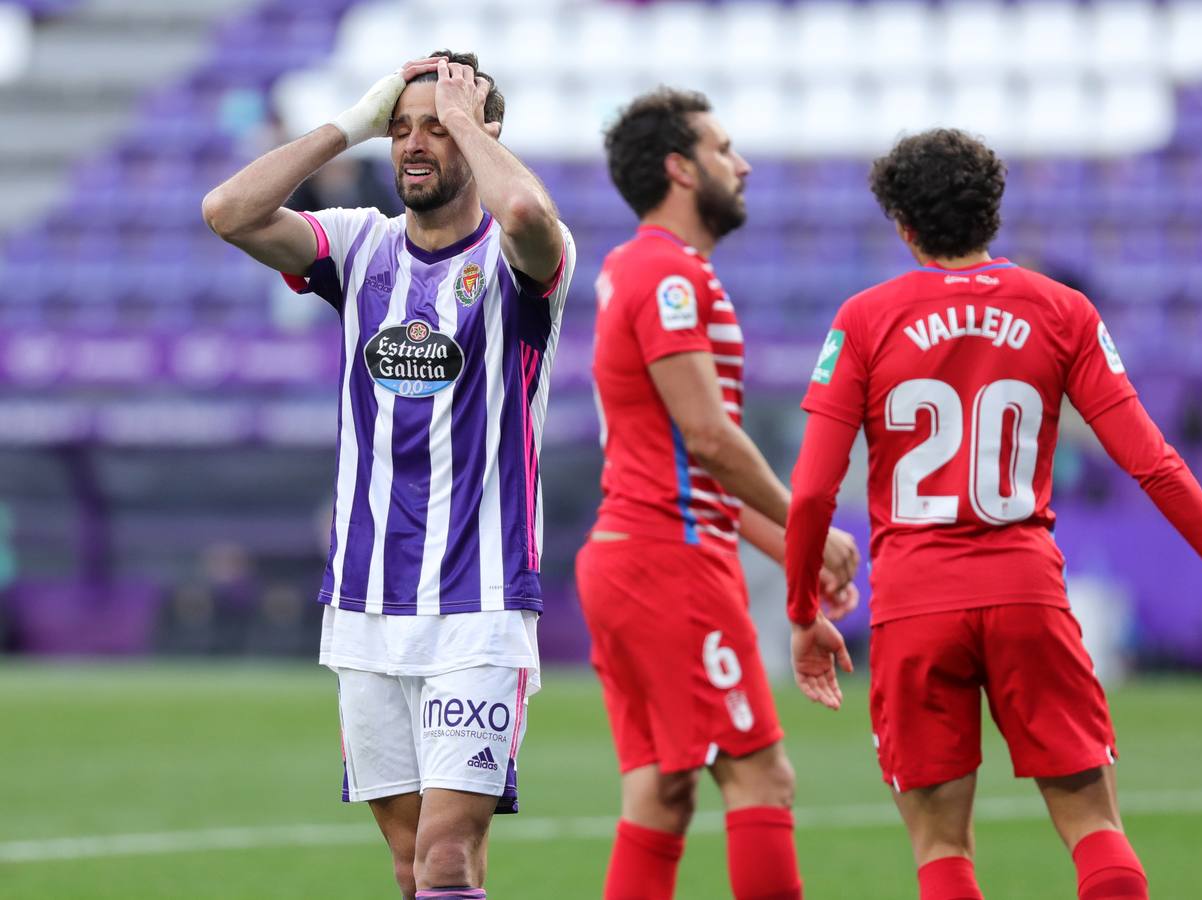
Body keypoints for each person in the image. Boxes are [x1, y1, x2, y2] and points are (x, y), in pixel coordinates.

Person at [782, 129, 1202, 900]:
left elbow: (814, 490)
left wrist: (802, 610)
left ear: (903, 226)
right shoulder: (1062, 311)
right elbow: (1151, 460)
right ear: (992, 212)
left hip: (915, 602)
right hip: (1026, 594)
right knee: (1093, 826)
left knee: (941, 849)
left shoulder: (864, 317)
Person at [202, 50, 574, 900]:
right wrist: (350, 126)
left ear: (480, 137)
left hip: (477, 607)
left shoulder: (526, 263)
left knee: (447, 858)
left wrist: (467, 121)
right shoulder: (359, 245)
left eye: (436, 128)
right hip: (366, 605)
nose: (414, 143)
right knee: (413, 868)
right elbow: (227, 211)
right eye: (401, 127)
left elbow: (519, 205)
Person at [574, 88, 862, 900]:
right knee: (762, 778)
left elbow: (685, 464)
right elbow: (707, 439)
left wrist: (793, 557)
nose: (740, 165)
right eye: (722, 148)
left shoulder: (642, 268)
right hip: (668, 561)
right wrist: (807, 523)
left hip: (629, 557)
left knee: (662, 795)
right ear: (679, 166)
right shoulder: (665, 273)